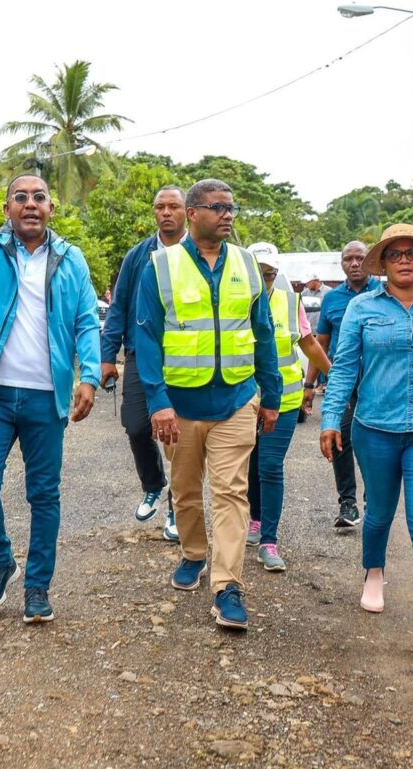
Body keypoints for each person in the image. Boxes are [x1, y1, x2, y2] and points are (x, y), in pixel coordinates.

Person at [0, 147, 101, 624]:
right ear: (7, 208)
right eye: (20, 197)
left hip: (45, 397)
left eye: (39, 197)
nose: (30, 203)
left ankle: (37, 587)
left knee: (43, 494)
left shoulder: (71, 259)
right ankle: (0, 561)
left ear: (51, 207)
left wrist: (90, 375)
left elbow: (86, 320)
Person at [135, 179, 281, 630]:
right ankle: (194, 553)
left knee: (231, 492)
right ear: (193, 213)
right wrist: (157, 401)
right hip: (178, 406)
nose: (227, 214)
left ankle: (227, 587)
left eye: (231, 207)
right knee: (184, 491)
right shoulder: (160, 266)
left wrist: (271, 394)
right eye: (218, 207)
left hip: (236, 400)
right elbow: (146, 337)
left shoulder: (247, 264)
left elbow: (263, 332)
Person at [319, 224, 413, 660]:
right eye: (395, 254)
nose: (403, 260)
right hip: (375, 428)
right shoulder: (361, 308)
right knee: (379, 512)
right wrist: (330, 419)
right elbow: (344, 367)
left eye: (411, 253)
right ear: (383, 263)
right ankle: (374, 571)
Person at [100, 186, 187, 540]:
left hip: (184, 356)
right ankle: (153, 484)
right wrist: (108, 356)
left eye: (173, 206)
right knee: (137, 426)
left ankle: (177, 509)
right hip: (140, 352)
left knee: (180, 438)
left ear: (187, 211)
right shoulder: (138, 256)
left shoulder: (198, 254)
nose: (166, 212)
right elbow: (119, 306)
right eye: (159, 207)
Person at [245, 244, 333, 571]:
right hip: (243, 400)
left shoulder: (290, 302)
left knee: (269, 465)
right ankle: (255, 518)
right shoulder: (232, 302)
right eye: (259, 273)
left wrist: (333, 376)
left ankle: (269, 541)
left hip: (283, 399)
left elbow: (308, 343)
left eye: (270, 274)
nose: (264, 280)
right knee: (250, 465)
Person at [304, 241, 381, 528]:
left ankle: (373, 499)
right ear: (341, 263)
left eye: (360, 258)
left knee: (374, 442)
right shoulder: (332, 299)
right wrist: (309, 385)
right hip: (344, 383)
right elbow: (320, 344)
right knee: (338, 436)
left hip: (379, 383)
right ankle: (348, 503)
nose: (354, 263)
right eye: (348, 259)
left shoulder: (384, 292)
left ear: (369, 260)